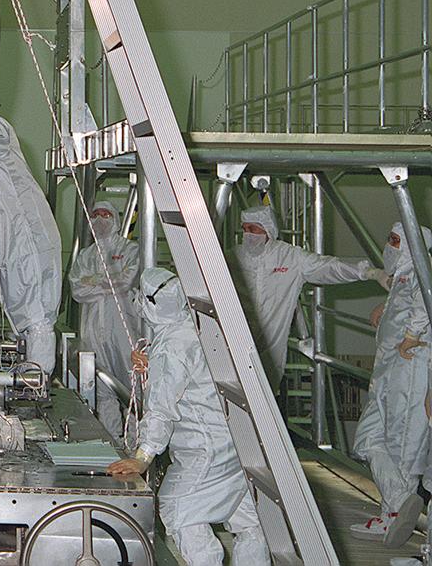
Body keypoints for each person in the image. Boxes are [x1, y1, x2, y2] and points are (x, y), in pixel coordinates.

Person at [107, 268, 270, 566]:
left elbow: (161, 407)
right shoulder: (195, 326)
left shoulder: (171, 347)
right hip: (239, 439)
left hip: (206, 448)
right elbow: (192, 371)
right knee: (248, 520)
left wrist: (143, 456)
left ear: (153, 305)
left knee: (177, 506)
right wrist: (153, 363)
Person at [231, 205, 386, 389]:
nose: (248, 235)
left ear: (268, 229)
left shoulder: (290, 257)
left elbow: (329, 267)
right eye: (245, 229)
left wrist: (368, 273)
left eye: (253, 229)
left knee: (262, 392)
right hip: (235, 342)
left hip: (270, 350)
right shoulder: (232, 257)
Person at [352, 221, 432, 543]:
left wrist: (412, 334)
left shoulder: (422, 269)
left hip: (410, 368)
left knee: (403, 447)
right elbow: (405, 301)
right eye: (390, 238)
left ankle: (392, 517)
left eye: (396, 240)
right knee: (368, 438)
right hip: (388, 370)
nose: (389, 245)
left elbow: (426, 301)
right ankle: (400, 504)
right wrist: (384, 308)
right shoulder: (401, 276)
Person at [0, 115, 63, 375]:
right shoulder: (8, 176)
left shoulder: (7, 175)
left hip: (34, 307)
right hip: (31, 308)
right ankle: (34, 373)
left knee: (35, 319)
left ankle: (36, 375)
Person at [69, 198, 141, 440]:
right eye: (95, 215)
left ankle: (135, 443)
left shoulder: (129, 249)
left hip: (123, 327)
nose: (100, 219)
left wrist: (94, 281)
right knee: (102, 387)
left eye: (105, 215)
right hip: (92, 329)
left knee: (132, 386)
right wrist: (108, 282)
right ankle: (111, 440)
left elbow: (126, 282)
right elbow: (77, 289)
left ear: (116, 220)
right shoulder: (86, 255)